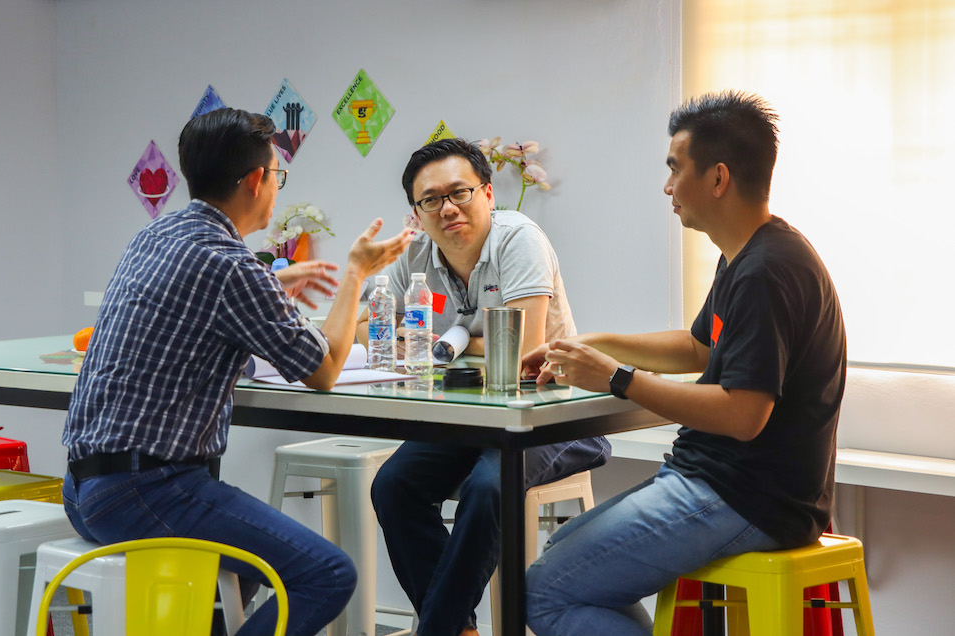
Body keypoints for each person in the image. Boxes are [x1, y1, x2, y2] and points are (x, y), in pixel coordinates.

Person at [61, 108, 414, 636]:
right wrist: (356, 273)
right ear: (256, 179)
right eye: (277, 175)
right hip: (142, 491)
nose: (276, 186)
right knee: (326, 574)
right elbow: (323, 371)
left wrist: (271, 283)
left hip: (81, 485)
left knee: (245, 566)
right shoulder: (231, 267)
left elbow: (194, 304)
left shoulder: (154, 236)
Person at [521, 91, 847, 636]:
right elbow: (698, 348)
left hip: (747, 498)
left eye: (675, 169)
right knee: (560, 556)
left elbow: (743, 414)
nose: (667, 186)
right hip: (719, 482)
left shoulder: (766, 270)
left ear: (718, 178)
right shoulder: (747, 254)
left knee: (543, 592)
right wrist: (589, 343)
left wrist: (616, 378)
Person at [360, 138, 611, 636]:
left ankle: (438, 629)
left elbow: (523, 350)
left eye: (460, 192)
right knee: (393, 486)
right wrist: (459, 339)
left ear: (489, 194)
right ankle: (460, 630)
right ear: (417, 212)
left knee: (488, 486)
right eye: (431, 200)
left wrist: (447, 342)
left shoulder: (518, 240)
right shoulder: (416, 256)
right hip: (472, 419)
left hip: (552, 413)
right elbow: (370, 328)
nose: (447, 208)